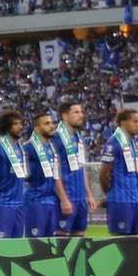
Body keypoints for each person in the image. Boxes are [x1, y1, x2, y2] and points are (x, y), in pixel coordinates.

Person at [25, 113, 70, 238]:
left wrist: (64, 199)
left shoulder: (52, 149)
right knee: (35, 243)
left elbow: (56, 177)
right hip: (35, 201)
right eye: (47, 124)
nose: (51, 126)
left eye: (52, 123)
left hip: (51, 201)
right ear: (37, 129)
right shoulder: (28, 148)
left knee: (50, 244)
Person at [101, 109, 138, 235]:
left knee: (136, 242)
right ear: (123, 123)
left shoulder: (132, 143)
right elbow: (104, 173)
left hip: (134, 199)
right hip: (119, 200)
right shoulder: (114, 142)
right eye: (135, 121)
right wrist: (110, 193)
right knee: (120, 241)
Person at [0, 111, 29, 238]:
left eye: (21, 124)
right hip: (2, 203)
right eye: (15, 124)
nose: (20, 127)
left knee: (16, 247)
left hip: (19, 203)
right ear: (6, 126)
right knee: (1, 248)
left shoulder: (20, 148)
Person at [55, 101, 90, 236]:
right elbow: (54, 173)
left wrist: (89, 194)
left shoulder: (79, 138)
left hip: (80, 198)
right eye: (76, 112)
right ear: (64, 116)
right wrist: (63, 199)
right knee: (61, 240)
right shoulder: (56, 138)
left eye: (81, 112)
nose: (81, 115)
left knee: (80, 239)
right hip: (66, 197)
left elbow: (81, 167)